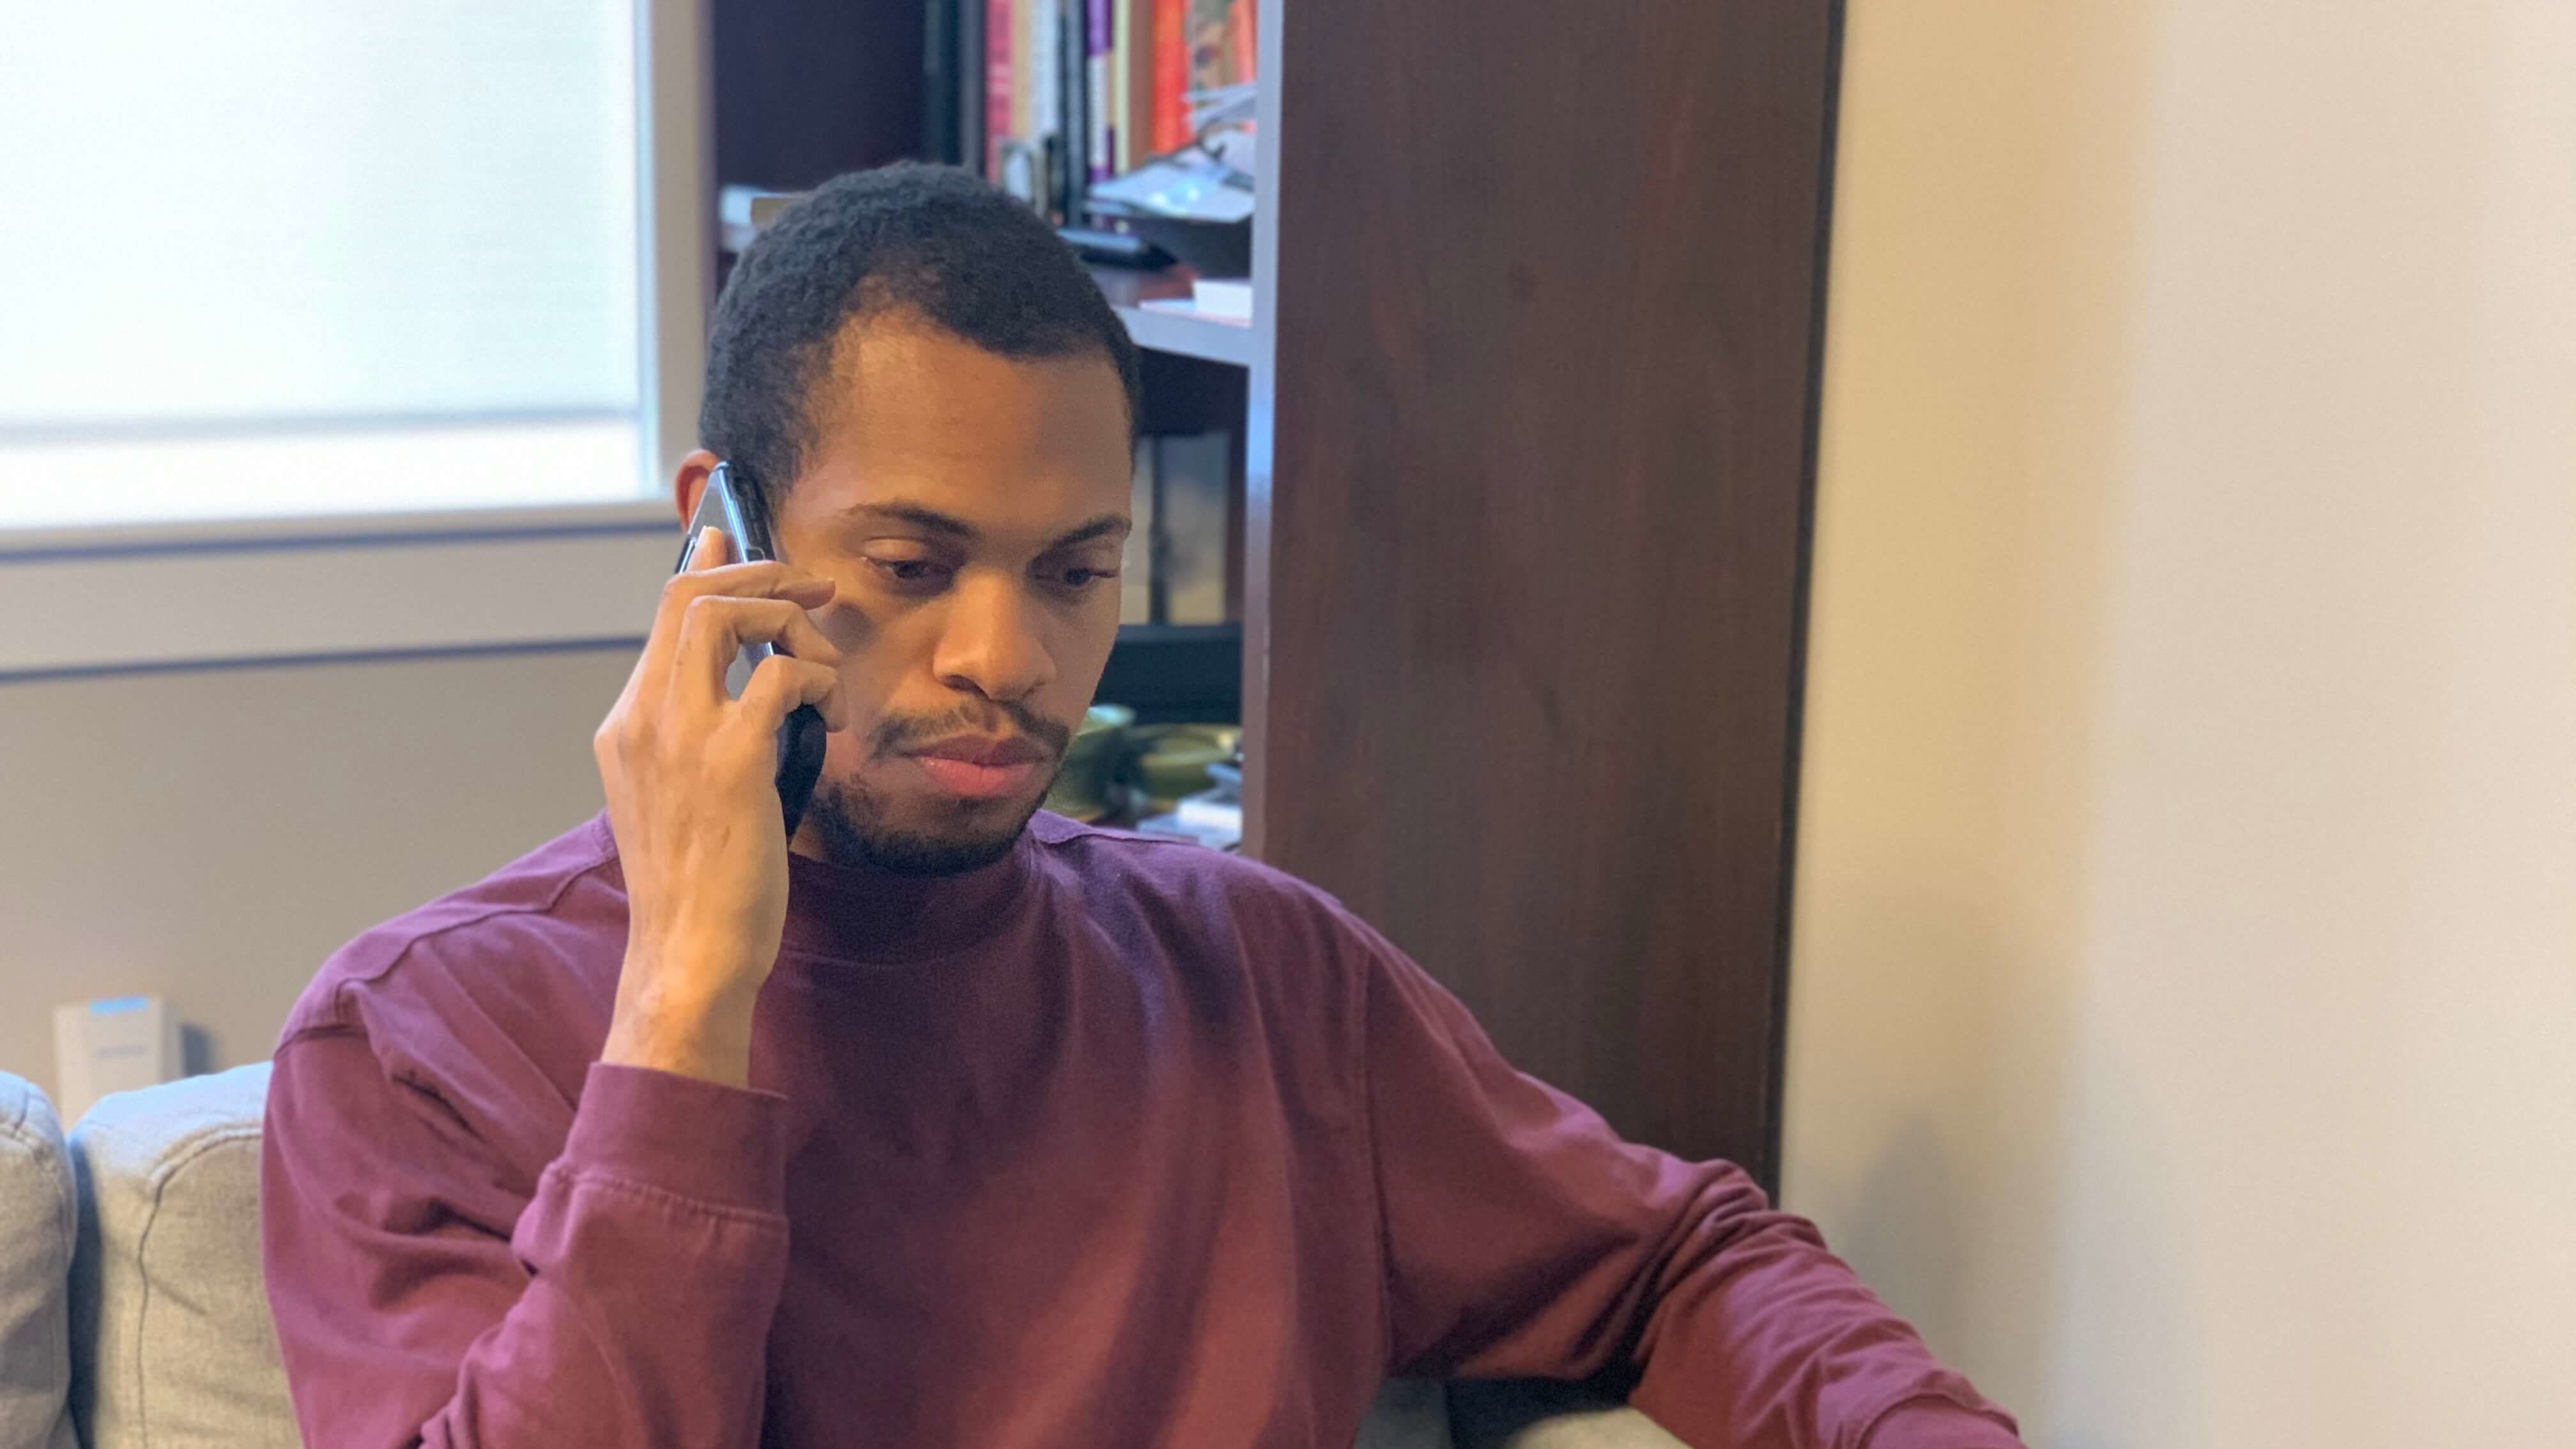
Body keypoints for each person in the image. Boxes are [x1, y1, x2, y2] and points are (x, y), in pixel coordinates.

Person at [259, 165, 2023, 1449]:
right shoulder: (417, 1043)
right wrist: (680, 1018)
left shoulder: (1257, 980)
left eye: (1074, 569)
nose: (1006, 657)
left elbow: (1677, 1255)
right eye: (912, 561)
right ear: (720, 535)